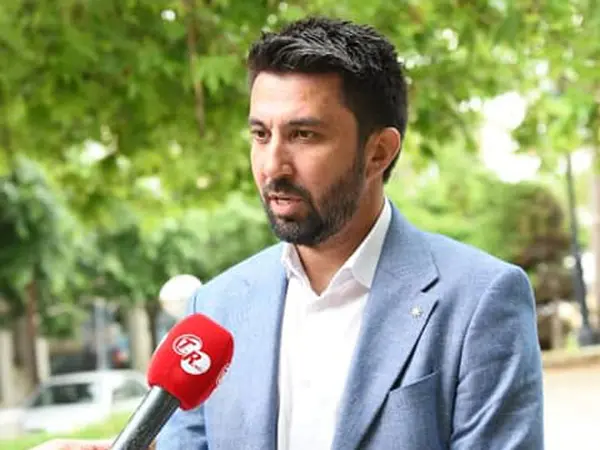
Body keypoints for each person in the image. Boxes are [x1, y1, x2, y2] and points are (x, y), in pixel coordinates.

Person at [37, 16, 544, 450]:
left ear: (378, 152)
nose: (273, 165)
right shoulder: (215, 308)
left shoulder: (479, 300)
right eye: (260, 134)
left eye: (303, 135)